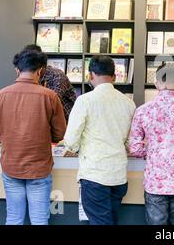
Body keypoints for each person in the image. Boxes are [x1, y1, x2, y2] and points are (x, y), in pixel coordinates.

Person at [0, 49, 66, 225]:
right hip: (39, 167)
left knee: (14, 218)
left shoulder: (0, 95)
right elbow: (60, 133)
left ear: (17, 70)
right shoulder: (50, 97)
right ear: (41, 71)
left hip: (11, 165)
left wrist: (10, 138)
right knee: (39, 220)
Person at [63, 55, 136, 225]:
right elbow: (131, 142)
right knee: (110, 220)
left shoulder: (84, 101)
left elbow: (71, 141)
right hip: (118, 176)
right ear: (115, 77)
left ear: (90, 76)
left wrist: (78, 148)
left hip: (95, 175)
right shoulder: (128, 103)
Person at [129, 62, 174, 225]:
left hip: (155, 182)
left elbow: (134, 147)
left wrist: (151, 154)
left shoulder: (143, 110)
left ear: (156, 83)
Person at [21, 44, 76, 121]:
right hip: (42, 120)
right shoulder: (27, 76)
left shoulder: (57, 76)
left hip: (64, 121)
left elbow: (51, 103)